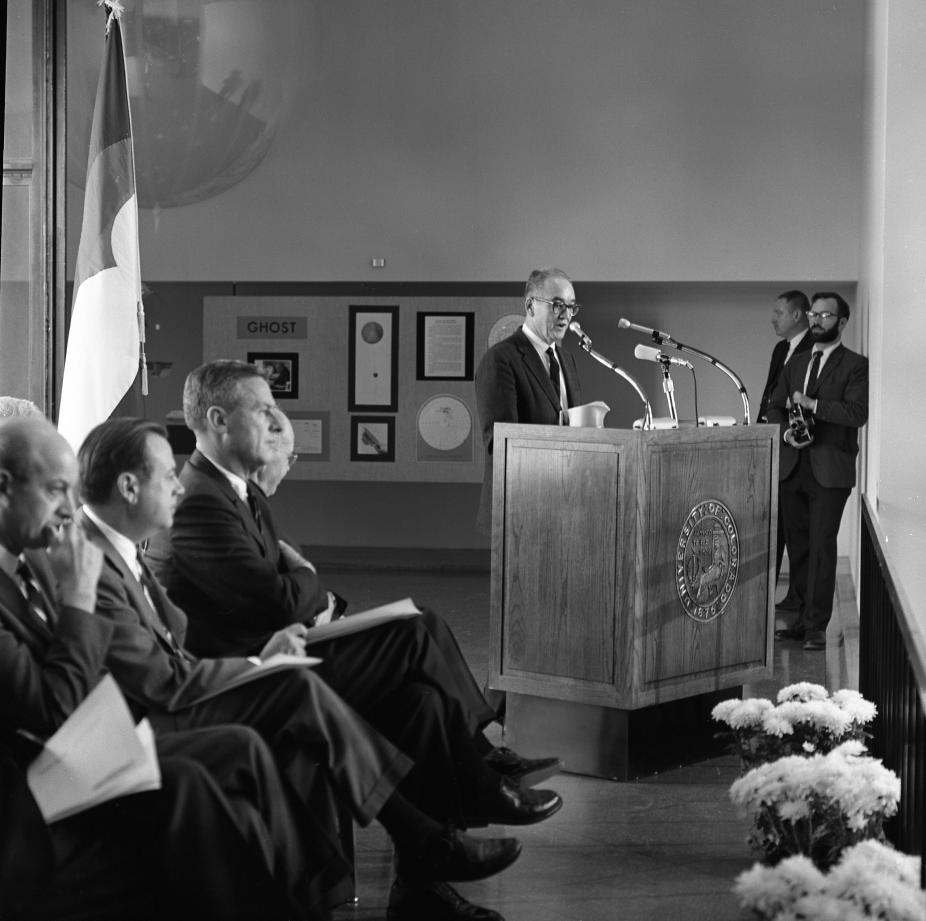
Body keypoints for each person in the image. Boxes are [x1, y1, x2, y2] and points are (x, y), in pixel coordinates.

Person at [78, 415, 559, 921]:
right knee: (359, 657)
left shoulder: (129, 547)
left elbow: (193, 638)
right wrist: (264, 654)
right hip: (155, 721)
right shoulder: (99, 558)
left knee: (419, 699)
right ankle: (430, 829)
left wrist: (276, 635)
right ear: (129, 486)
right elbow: (167, 676)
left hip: (205, 682)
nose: (177, 484)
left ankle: (422, 878)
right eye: (165, 475)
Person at [146, 360, 561, 790]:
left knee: (420, 700)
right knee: (416, 630)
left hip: (280, 647)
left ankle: (443, 833)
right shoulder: (201, 500)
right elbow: (282, 597)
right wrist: (306, 573)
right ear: (217, 420)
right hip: (258, 671)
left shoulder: (234, 491)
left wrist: (300, 581)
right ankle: (485, 767)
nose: (274, 421)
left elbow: (282, 580)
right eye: (261, 410)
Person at [0, 414, 347, 920]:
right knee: (198, 783)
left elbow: (159, 642)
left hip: (87, 749)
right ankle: (323, 888)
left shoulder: (30, 563)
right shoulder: (53, 570)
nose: (71, 509)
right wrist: (77, 602)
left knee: (238, 751)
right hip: (33, 793)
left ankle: (312, 894)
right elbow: (57, 708)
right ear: (4, 486)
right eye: (56, 490)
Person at [767, 292, 869, 651]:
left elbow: (857, 413)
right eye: (813, 313)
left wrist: (815, 405)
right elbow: (775, 406)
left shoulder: (856, 365)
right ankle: (799, 620)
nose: (817, 320)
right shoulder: (795, 364)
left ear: (841, 323)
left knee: (822, 546)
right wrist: (787, 433)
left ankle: (815, 627)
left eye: (826, 315)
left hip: (830, 469)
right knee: (799, 548)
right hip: (794, 466)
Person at [474, 267, 582, 535]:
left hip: (565, 504)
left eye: (571, 307)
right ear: (530, 305)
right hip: (520, 509)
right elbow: (502, 444)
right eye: (557, 305)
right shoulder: (501, 360)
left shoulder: (566, 360)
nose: (565, 315)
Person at [756, 291, 813, 611]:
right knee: (774, 527)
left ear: (797, 315)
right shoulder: (781, 349)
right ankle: (767, 596)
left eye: (779, 311)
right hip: (772, 443)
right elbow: (770, 394)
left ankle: (797, 597)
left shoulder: (812, 349)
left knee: (796, 530)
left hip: (796, 451)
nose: (773, 317)